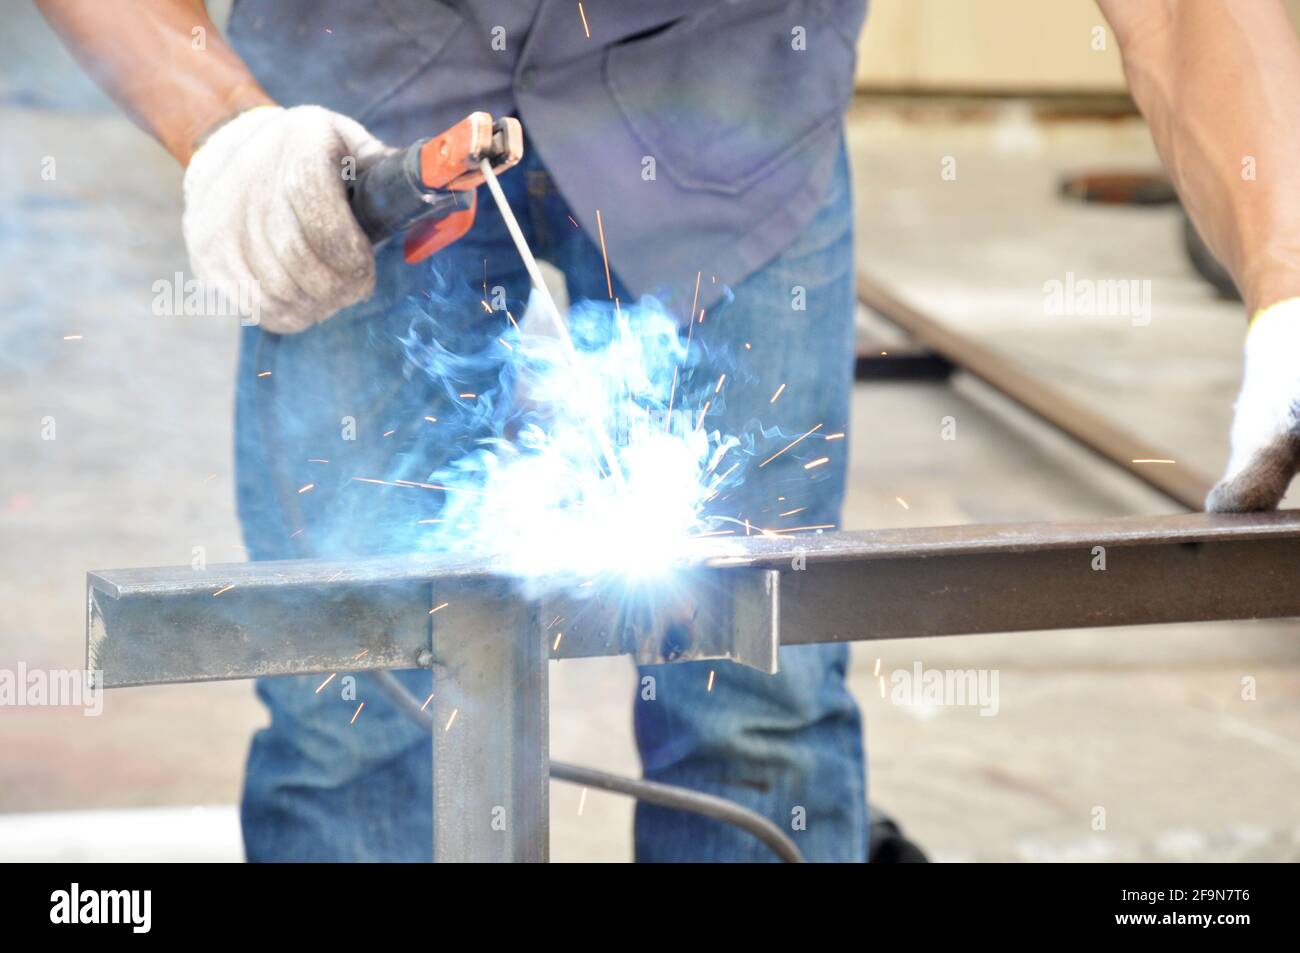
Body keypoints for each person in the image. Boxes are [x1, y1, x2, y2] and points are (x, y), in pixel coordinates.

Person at [36, 0, 1300, 862]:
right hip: (358, 95)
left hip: (725, 101)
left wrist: (1287, 288)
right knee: (352, 688)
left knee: (751, 684)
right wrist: (224, 128)